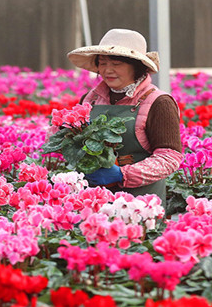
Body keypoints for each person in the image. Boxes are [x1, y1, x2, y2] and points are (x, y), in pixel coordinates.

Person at [67, 28, 183, 203]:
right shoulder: (90, 100)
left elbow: (169, 157)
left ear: (136, 67)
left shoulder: (159, 103)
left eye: (116, 63)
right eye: (103, 63)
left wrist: (122, 174)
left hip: (140, 204)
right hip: (94, 199)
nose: (108, 70)